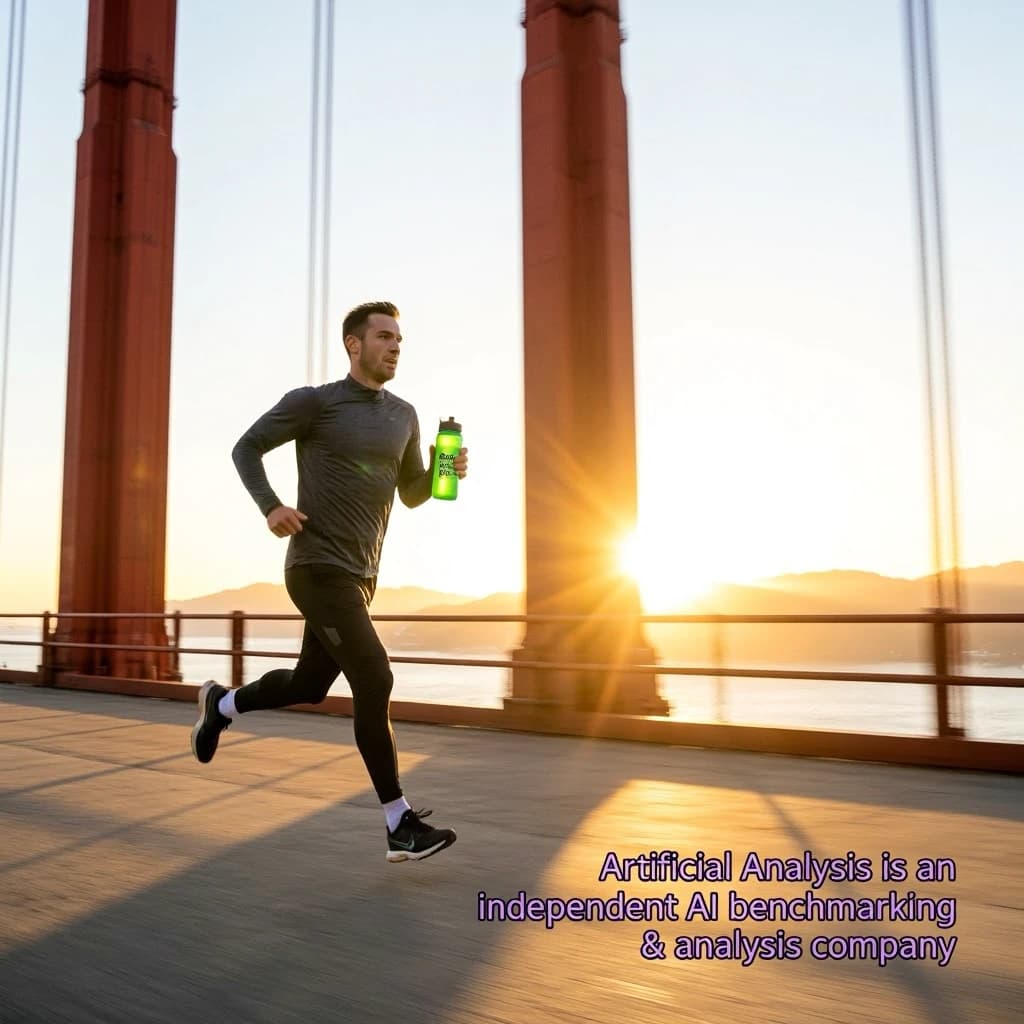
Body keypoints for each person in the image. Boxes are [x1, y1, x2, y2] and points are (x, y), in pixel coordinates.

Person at [190, 300, 468, 863]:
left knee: (310, 684)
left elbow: (412, 493)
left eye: (399, 339)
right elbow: (245, 447)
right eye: (384, 337)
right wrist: (271, 507)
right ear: (353, 344)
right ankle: (399, 824)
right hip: (316, 567)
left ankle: (222, 705)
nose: (395, 346)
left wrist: (448, 472)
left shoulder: (405, 415)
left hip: (362, 576)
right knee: (374, 676)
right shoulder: (315, 403)